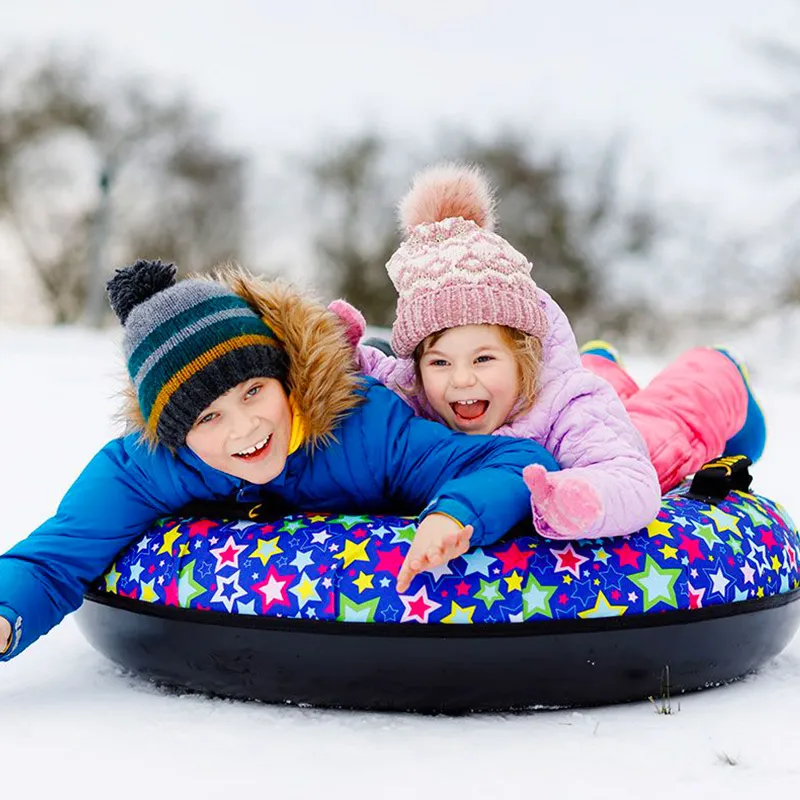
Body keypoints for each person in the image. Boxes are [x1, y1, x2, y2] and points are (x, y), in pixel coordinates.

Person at [0, 260, 560, 660]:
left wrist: (455, 511)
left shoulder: (365, 431)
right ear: (174, 433)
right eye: (207, 418)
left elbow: (518, 458)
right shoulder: (147, 466)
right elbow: (55, 555)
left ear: (285, 380)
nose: (245, 429)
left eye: (253, 391)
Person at [330, 163, 765, 561]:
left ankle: (721, 367)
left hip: (624, 445)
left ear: (524, 355)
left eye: (483, 358)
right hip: (584, 391)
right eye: (440, 363)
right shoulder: (422, 392)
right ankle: (602, 362)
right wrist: (339, 352)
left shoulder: (570, 406)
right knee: (595, 374)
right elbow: (387, 379)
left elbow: (631, 481)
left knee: (669, 416)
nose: (460, 380)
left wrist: (573, 497)